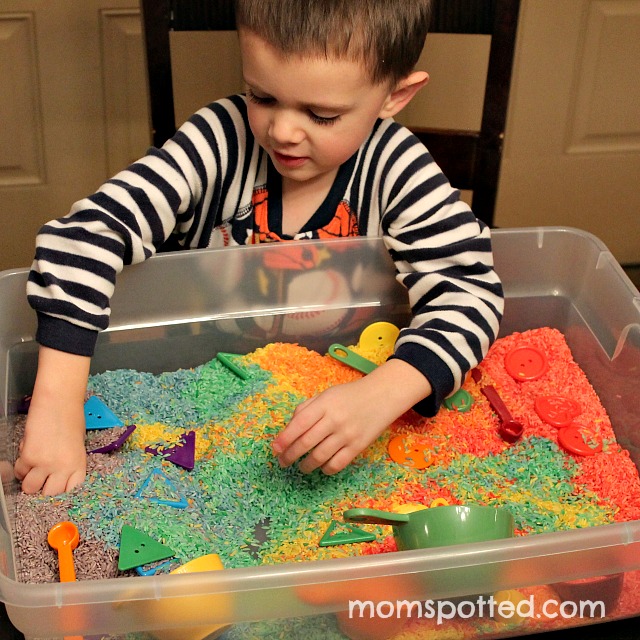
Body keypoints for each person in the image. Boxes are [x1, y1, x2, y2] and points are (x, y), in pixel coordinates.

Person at [15, 0, 504, 496]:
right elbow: (83, 236)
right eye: (262, 96)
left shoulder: (396, 169)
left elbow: (469, 292)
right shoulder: (218, 141)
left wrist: (382, 394)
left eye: (322, 114)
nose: (282, 131)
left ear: (395, 96)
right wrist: (57, 405)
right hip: (198, 379)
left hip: (344, 373)